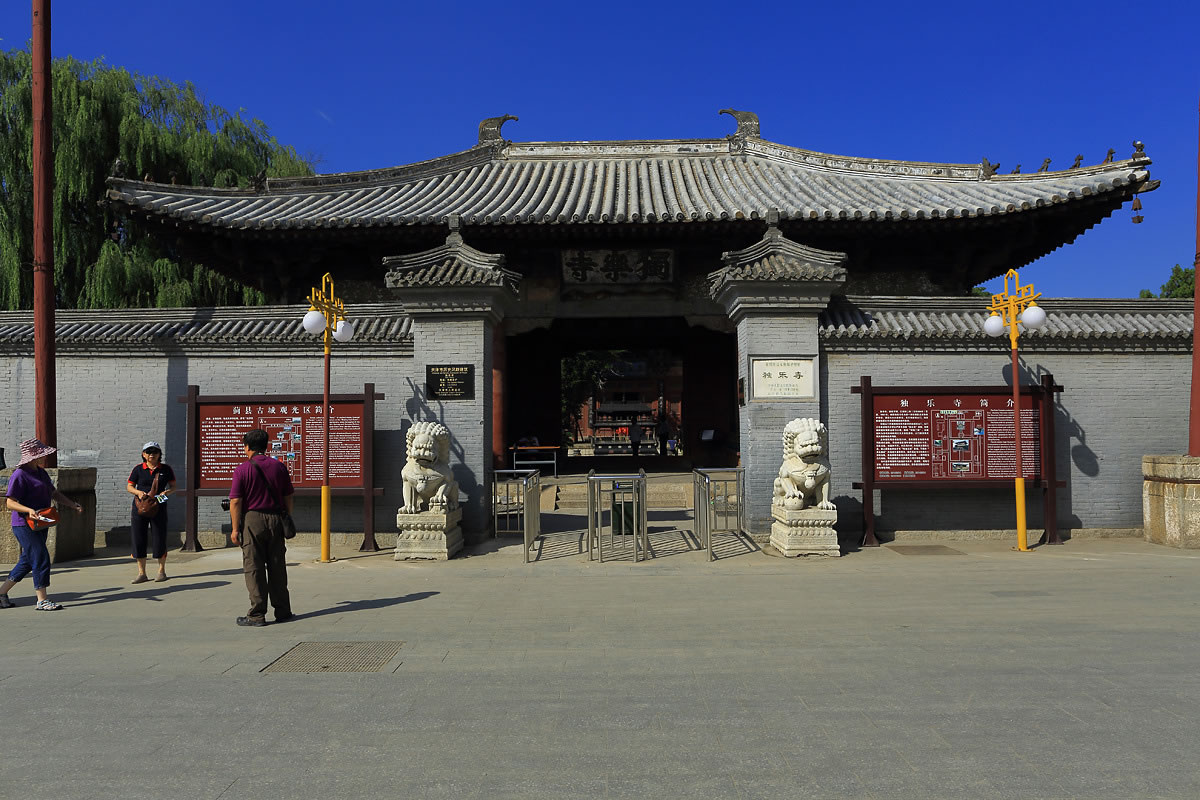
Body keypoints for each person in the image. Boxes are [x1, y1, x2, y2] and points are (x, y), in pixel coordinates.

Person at [0, 438, 83, 611]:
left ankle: (1, 593)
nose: (44, 457)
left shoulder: (41, 472)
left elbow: (54, 493)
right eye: (41, 454)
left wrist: (72, 504)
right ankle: (42, 600)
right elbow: (10, 502)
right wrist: (28, 509)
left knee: (27, 561)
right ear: (32, 456)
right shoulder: (19, 475)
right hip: (23, 524)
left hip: (40, 522)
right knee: (40, 557)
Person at [228, 428, 294, 627]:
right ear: (266, 446)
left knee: (254, 567)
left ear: (247, 446)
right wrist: (286, 517)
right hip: (276, 518)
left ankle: (257, 615)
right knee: (277, 566)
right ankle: (283, 611)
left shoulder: (242, 469)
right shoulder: (279, 467)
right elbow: (288, 496)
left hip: (252, 520)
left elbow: (236, 501)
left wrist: (235, 529)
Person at [125, 441, 176, 584]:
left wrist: (165, 494)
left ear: (159, 454)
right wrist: (138, 492)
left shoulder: (166, 469)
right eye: (148, 452)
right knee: (138, 538)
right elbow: (129, 486)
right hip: (139, 507)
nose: (151, 455)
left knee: (159, 536)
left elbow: (173, 487)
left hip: (159, 505)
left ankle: (161, 571)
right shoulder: (138, 469)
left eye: (155, 452)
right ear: (143, 454)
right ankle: (142, 573)